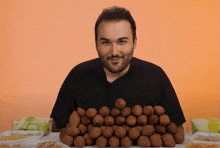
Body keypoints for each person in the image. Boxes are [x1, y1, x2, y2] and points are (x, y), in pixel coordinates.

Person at [50, 6, 186, 131]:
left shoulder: (156, 77)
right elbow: (57, 131)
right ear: (96, 44)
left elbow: (177, 132)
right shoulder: (77, 75)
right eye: (105, 42)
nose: (114, 52)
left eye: (122, 41)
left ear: (135, 42)